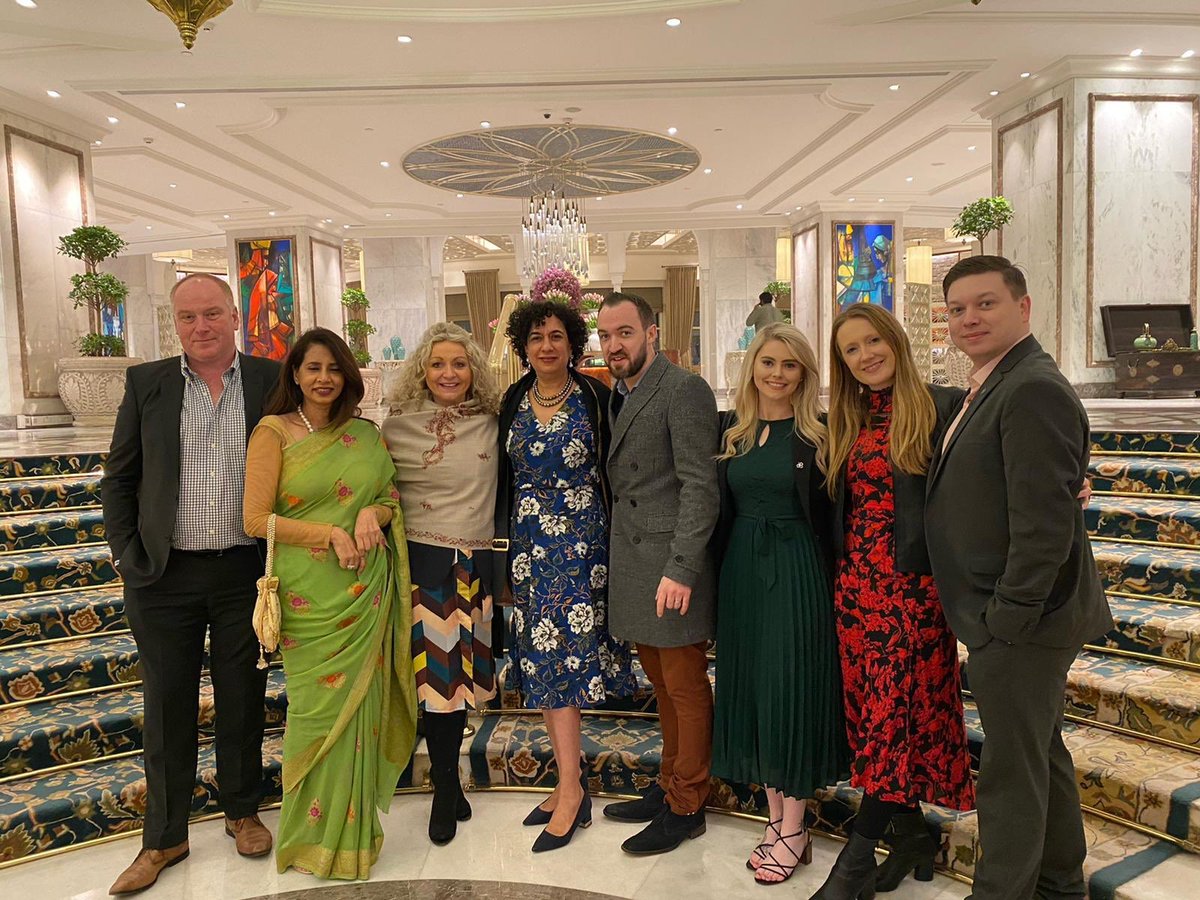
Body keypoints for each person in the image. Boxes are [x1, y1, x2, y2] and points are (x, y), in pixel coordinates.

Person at [925, 256, 1112, 900]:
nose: (969, 319)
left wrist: (1006, 618)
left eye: (986, 304)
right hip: (1017, 615)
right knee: (1037, 753)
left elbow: (1043, 527)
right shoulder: (994, 382)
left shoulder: (1032, 387)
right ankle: (1059, 883)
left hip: (1025, 620)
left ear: (1023, 307)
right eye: (957, 309)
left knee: (1009, 771)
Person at [102, 273, 278, 895]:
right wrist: (125, 554)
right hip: (163, 575)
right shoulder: (146, 383)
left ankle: (242, 812)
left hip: (243, 572)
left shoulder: (270, 380)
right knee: (166, 705)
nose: (200, 326)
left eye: (211, 313)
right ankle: (164, 837)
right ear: (174, 324)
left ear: (234, 316)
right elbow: (119, 477)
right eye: (187, 317)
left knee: (243, 698)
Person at [810, 304, 974, 900]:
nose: (865, 355)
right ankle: (911, 837)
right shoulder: (845, 419)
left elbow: (997, 465)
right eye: (851, 349)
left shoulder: (943, 406)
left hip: (913, 593)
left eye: (873, 341)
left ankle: (854, 862)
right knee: (879, 718)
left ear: (896, 341)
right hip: (856, 592)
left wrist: (1073, 479)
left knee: (891, 719)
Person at [243, 327, 418, 880]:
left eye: (334, 368)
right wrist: (328, 532)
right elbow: (255, 519)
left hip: (365, 589)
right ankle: (307, 839)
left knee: (359, 714)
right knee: (313, 714)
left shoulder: (364, 435)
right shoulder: (273, 432)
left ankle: (352, 841)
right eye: (313, 368)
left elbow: (389, 497)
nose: (324, 378)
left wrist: (372, 514)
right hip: (309, 596)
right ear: (295, 374)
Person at [496, 298, 636, 853]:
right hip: (530, 547)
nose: (547, 345)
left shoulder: (595, 396)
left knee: (567, 665)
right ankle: (567, 781)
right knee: (543, 665)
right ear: (523, 347)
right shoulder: (513, 399)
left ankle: (572, 790)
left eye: (556, 335)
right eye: (536, 337)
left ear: (573, 344)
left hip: (583, 545)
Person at [712, 323, 849, 885]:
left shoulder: (823, 433)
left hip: (797, 570)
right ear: (752, 368)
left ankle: (794, 825)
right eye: (768, 362)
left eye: (789, 365)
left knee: (789, 690)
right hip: (741, 572)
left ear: (804, 374)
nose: (777, 374)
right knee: (754, 693)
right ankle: (776, 821)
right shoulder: (733, 431)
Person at [596, 291, 720, 856]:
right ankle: (669, 784)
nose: (614, 345)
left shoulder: (683, 388)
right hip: (637, 562)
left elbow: (700, 486)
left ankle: (688, 804)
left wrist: (682, 566)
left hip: (671, 566)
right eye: (605, 336)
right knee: (662, 686)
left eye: (625, 332)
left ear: (651, 332)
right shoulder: (620, 392)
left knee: (685, 687)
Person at [382, 322, 501, 847]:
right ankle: (445, 788)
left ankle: (450, 783)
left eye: (459, 363)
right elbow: (375, 490)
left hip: (474, 567)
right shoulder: (396, 427)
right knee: (439, 687)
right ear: (421, 371)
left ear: (473, 370)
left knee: (461, 683)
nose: (448, 373)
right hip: (422, 569)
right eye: (437, 364)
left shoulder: (492, 424)